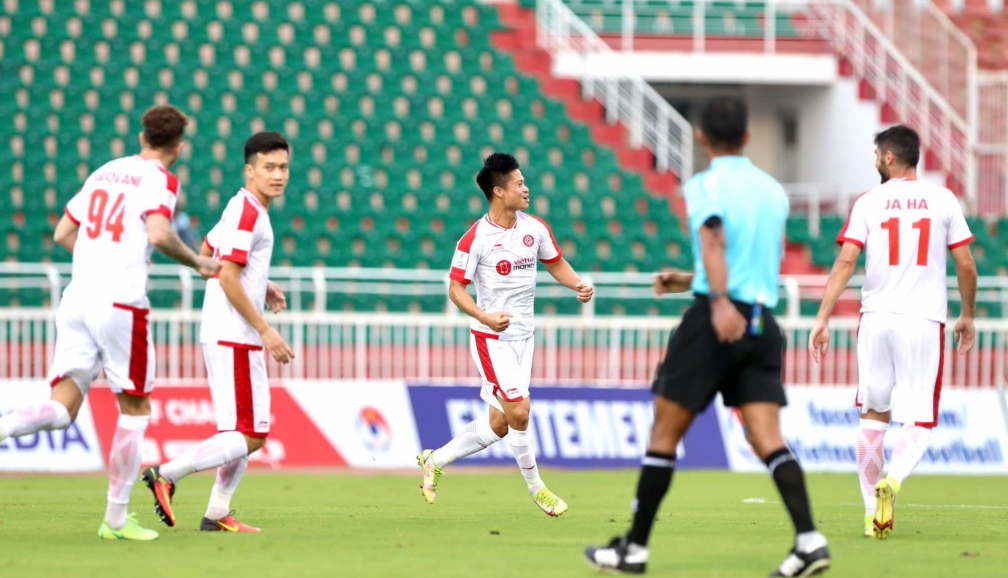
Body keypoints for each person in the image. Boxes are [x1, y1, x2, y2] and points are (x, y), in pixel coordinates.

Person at [585, 97, 830, 577]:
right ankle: (808, 540)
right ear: (747, 136)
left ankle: (633, 550)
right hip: (760, 321)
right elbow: (746, 257)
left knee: (664, 434)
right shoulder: (771, 191)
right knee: (768, 440)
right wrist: (690, 280)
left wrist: (714, 299)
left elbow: (716, 240)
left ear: (701, 137)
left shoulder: (704, 185)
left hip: (717, 319)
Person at [0, 105, 219, 541]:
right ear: (179, 146)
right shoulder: (161, 180)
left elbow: (62, 233)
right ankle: (115, 520)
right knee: (134, 411)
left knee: (63, 409)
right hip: (120, 303)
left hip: (76, 299)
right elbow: (159, 234)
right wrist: (198, 263)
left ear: (141, 136)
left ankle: (0, 427)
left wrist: (96, 261)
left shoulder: (104, 172)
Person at [809, 125, 977, 540]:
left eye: (876, 154)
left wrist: (822, 318)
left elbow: (847, 262)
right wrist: (967, 314)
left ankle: (871, 515)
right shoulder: (942, 199)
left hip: (876, 319)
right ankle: (894, 481)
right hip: (922, 321)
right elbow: (967, 264)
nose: (875, 160)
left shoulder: (869, 202)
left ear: (887, 158)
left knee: (872, 415)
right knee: (919, 420)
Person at [416, 152, 594, 517]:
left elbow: (555, 262)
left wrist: (577, 283)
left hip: (524, 337)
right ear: (499, 191)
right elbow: (456, 289)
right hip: (491, 338)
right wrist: (484, 315)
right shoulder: (475, 239)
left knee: (500, 423)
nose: (526, 189)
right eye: (519, 184)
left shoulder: (535, 228)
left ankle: (435, 460)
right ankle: (537, 489)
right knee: (519, 410)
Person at [140, 132, 295, 533]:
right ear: (250, 170)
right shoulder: (248, 214)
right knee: (252, 435)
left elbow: (208, 254)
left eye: (283, 167)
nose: (278, 175)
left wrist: (261, 283)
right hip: (235, 335)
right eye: (269, 167)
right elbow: (226, 274)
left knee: (240, 432)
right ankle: (167, 474)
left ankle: (216, 515)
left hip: (225, 331)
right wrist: (265, 330)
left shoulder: (239, 208)